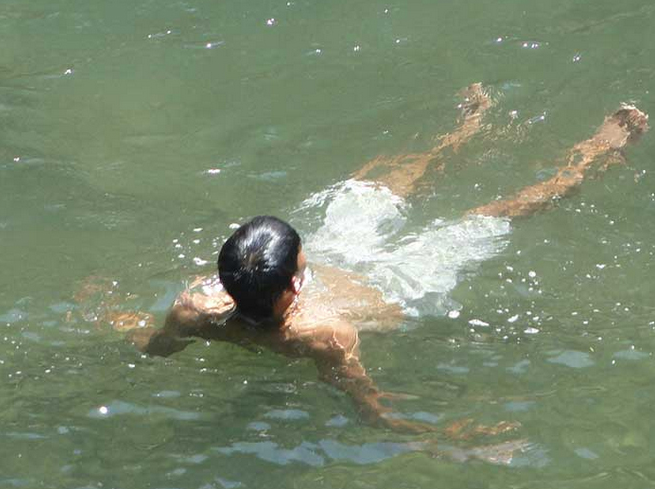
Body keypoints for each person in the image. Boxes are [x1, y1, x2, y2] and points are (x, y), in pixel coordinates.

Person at [127, 84, 648, 437]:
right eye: (302, 263)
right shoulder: (324, 335)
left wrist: (111, 318)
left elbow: (154, 348)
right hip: (397, 279)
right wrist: (446, 438)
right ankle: (596, 154)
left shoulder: (195, 310)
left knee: (376, 190)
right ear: (293, 286)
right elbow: (374, 411)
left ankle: (461, 134)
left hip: (342, 259)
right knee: (494, 214)